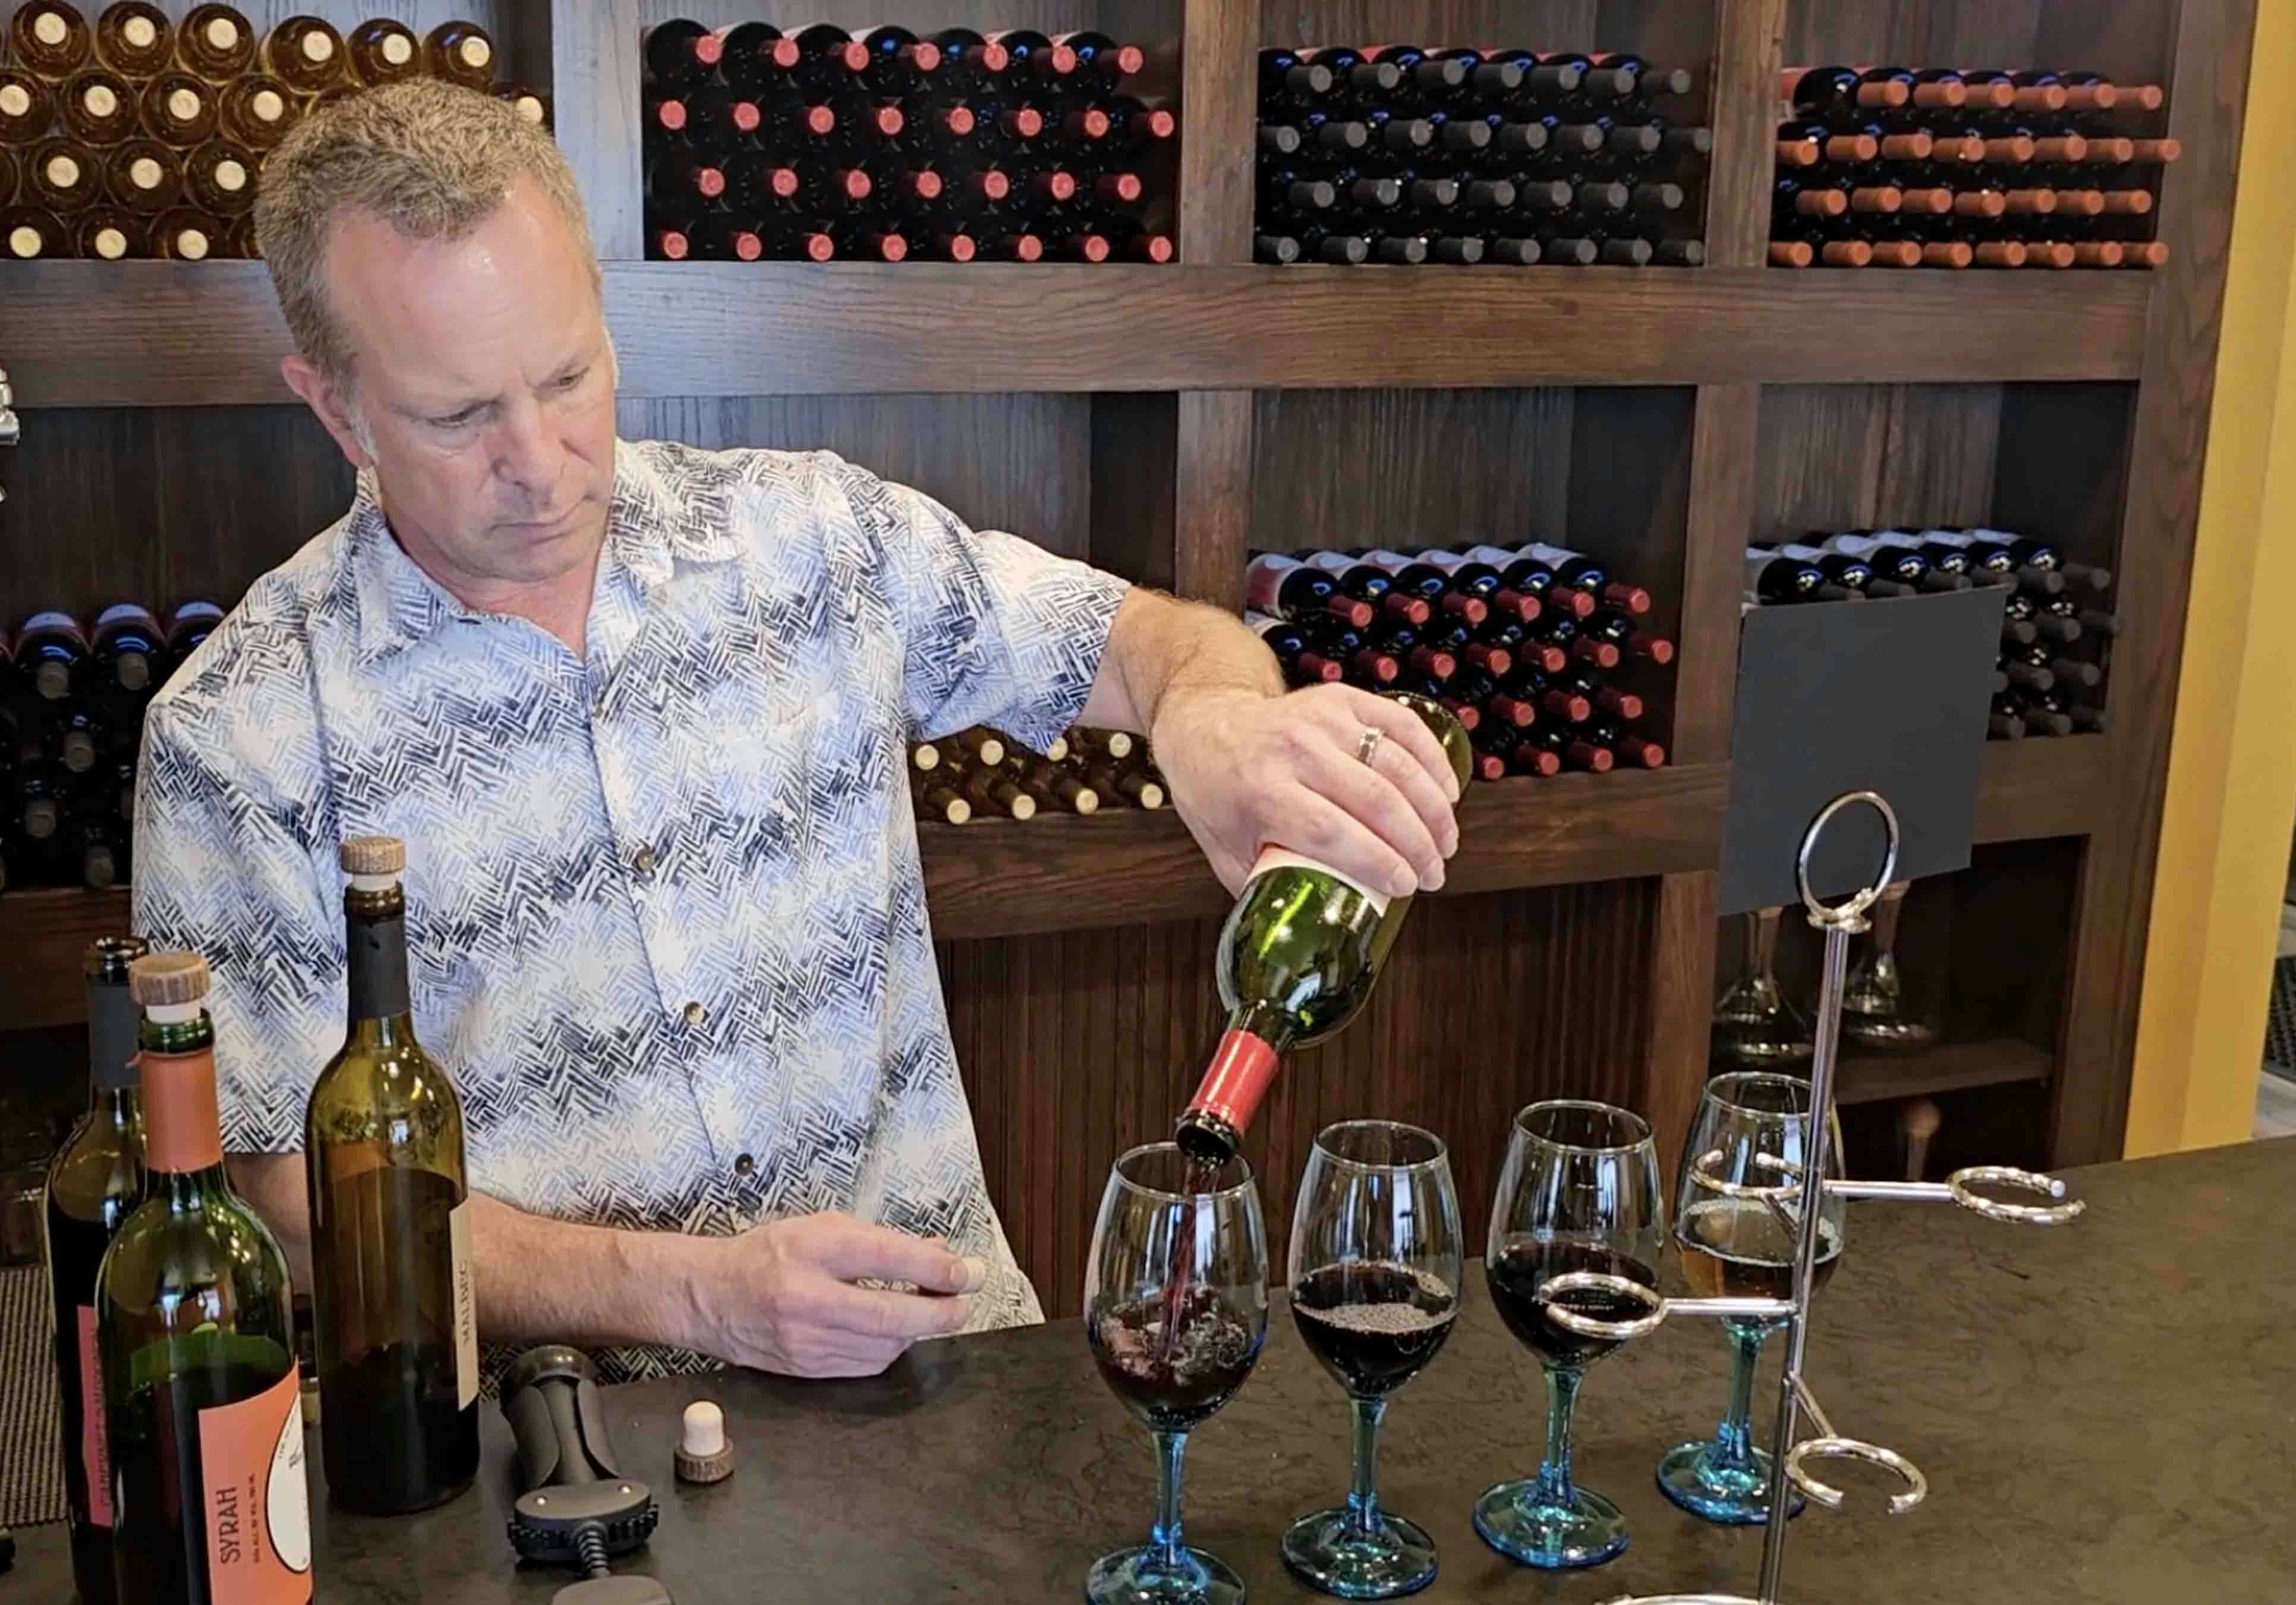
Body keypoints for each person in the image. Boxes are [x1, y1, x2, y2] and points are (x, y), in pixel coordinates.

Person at [132, 80, 1462, 1382]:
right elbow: (284, 1204)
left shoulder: (817, 541)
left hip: (953, 1380)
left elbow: (1153, 642)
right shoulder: (239, 735)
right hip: (564, 1461)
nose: (538, 461)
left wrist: (1215, 715)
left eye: (567, 375)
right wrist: (695, 1297)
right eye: (458, 415)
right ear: (334, 406)